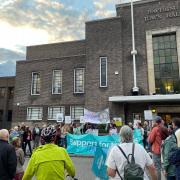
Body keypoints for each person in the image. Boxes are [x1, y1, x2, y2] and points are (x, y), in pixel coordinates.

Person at [148, 116, 168, 180]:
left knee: (157, 167)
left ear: (156, 122)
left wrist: (149, 134)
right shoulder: (164, 128)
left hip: (156, 150)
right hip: (163, 149)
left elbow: (150, 140)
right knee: (163, 166)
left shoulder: (155, 129)